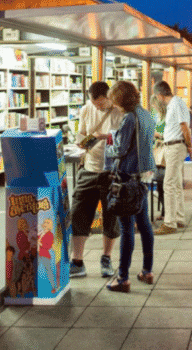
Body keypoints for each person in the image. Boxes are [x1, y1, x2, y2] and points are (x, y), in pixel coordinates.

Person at [104, 81, 156, 292]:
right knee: (144, 224)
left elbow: (119, 149)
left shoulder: (129, 119)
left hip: (128, 176)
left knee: (127, 228)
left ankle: (123, 277)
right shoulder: (146, 115)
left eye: (114, 99)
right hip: (145, 174)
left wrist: (111, 139)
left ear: (120, 99)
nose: (113, 103)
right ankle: (147, 271)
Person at [69, 81, 124, 279]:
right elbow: (81, 136)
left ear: (109, 97)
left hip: (112, 171)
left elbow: (125, 139)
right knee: (79, 213)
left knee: (111, 216)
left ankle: (106, 258)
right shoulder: (86, 109)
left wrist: (105, 136)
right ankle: (77, 261)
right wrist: (82, 143)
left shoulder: (120, 111)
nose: (97, 107)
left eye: (101, 103)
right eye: (94, 103)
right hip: (89, 168)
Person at [152, 81, 192, 235]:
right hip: (173, 145)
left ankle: (170, 223)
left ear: (159, 95)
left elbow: (184, 127)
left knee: (168, 184)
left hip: (175, 147)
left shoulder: (176, 103)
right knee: (175, 184)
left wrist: (189, 146)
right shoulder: (174, 104)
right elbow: (179, 127)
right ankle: (179, 218)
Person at [150, 95, 167, 222]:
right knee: (160, 186)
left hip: (164, 153)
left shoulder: (165, 118)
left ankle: (166, 212)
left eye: (154, 105)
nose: (153, 108)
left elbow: (166, 134)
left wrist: (157, 135)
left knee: (163, 184)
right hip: (158, 151)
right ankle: (164, 211)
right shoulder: (157, 116)